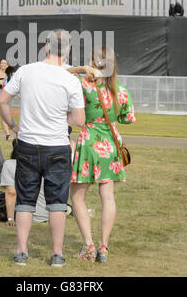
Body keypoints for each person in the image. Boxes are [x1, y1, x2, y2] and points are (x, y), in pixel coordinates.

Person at [0, 29, 85, 267]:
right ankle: (57, 253)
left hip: (27, 144)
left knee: (25, 199)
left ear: (46, 47)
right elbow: (79, 120)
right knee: (57, 201)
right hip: (57, 145)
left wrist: (14, 125)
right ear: (67, 50)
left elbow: (1, 100)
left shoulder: (26, 71)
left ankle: (21, 252)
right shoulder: (71, 79)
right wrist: (61, 115)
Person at [68, 46, 135, 263]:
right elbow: (127, 118)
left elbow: (61, 73)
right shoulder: (121, 89)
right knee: (108, 197)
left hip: (89, 142)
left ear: (93, 62)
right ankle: (103, 247)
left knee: (77, 196)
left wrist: (81, 68)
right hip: (112, 143)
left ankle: (88, 245)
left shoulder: (84, 84)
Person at [0, 140, 49, 225]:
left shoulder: (10, 164)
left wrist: (10, 218)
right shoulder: (45, 163)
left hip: (24, 213)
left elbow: (11, 193)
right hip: (44, 214)